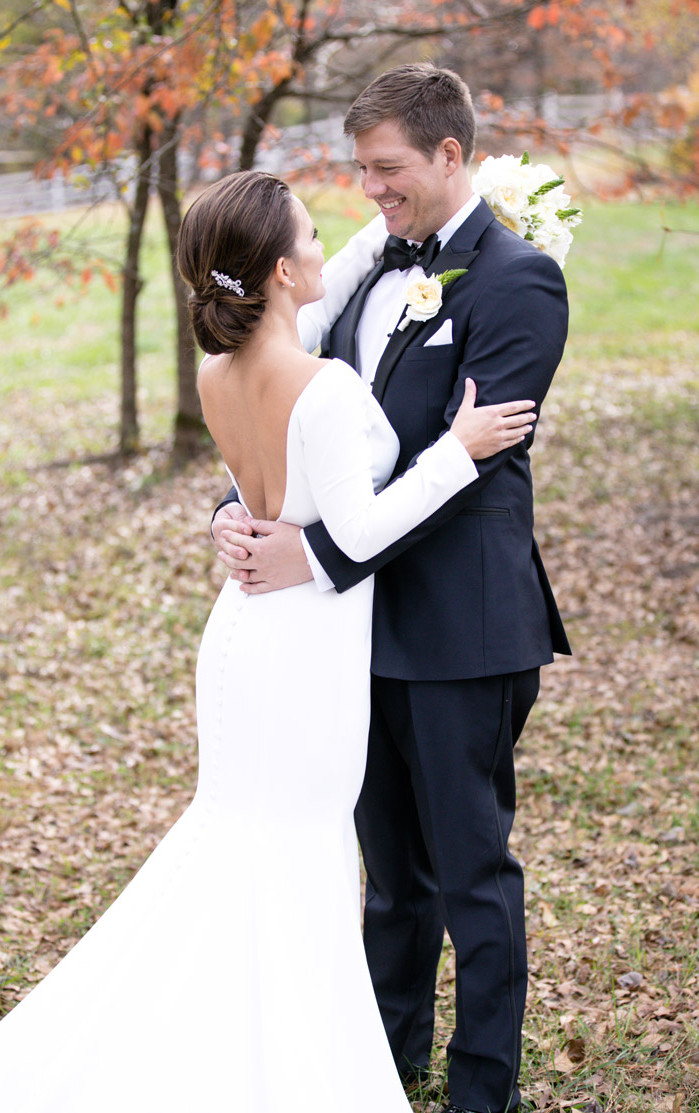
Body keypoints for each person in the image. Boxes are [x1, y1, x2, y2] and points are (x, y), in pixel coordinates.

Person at [0, 170, 536, 1112]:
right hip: (305, 649)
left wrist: (435, 205)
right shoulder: (324, 385)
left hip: (242, 632)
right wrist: (456, 451)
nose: (325, 248)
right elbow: (356, 530)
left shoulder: (216, 373)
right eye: (310, 236)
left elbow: (270, 468)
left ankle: (245, 1041)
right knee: (299, 848)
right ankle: (294, 1067)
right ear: (279, 271)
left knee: (246, 842)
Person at [213, 65, 572, 1113]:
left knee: (469, 872)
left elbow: (470, 472)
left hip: (461, 628)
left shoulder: (518, 283)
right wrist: (237, 506)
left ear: (449, 155)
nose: (369, 190)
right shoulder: (367, 271)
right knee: (390, 878)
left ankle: (481, 1088)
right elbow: (290, 409)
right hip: (353, 634)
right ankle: (385, 1060)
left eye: (386, 169)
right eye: (361, 170)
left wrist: (315, 556)